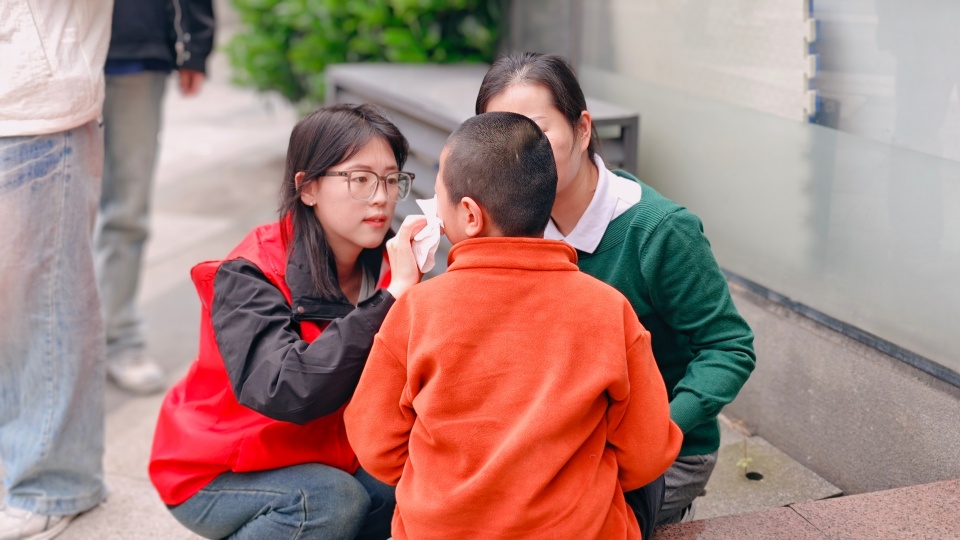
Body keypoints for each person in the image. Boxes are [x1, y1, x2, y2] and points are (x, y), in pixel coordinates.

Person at [344, 111, 683, 540]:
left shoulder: (418, 310)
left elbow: (375, 443)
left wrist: (440, 482)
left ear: (469, 214)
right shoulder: (608, 309)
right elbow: (648, 452)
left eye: (439, 193)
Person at [475, 52, 757, 526]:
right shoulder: (505, 221)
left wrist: (659, 429)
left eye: (537, 131)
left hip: (656, 450)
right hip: (552, 439)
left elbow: (729, 347)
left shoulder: (660, 231)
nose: (519, 155)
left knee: (547, 520)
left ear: (583, 129)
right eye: (502, 136)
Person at [148, 103, 427, 540]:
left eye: (391, 180)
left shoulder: (397, 265)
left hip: (322, 452)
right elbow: (283, 387)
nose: (380, 196)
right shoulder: (250, 272)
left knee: (409, 475)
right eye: (359, 179)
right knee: (329, 502)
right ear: (308, 188)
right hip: (220, 466)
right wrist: (390, 301)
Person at [0, 2, 112, 539]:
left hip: (36, 111)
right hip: (24, 102)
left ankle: (54, 481)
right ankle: (21, 463)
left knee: (43, 305)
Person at [96, 0, 215, 394]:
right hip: (43, 57)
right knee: (47, 216)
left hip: (135, 49)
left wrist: (195, 44)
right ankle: (51, 345)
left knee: (127, 211)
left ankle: (119, 337)